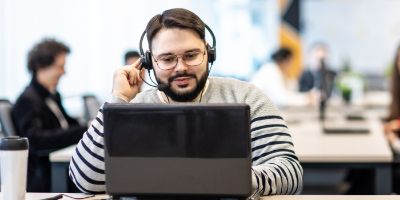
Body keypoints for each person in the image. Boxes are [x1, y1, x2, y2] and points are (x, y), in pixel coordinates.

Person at [68, 8, 303, 196]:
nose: (180, 67)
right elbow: (85, 180)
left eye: (191, 55)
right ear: (150, 63)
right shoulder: (135, 107)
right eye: (167, 59)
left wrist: (225, 180)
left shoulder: (246, 96)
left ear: (208, 54)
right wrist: (117, 101)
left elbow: (289, 172)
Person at [12, 38, 87, 192]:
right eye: (60, 67)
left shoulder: (52, 96)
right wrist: (83, 130)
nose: (64, 72)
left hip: (59, 169)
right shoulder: (27, 100)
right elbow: (37, 140)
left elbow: (68, 124)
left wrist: (89, 127)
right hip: (47, 176)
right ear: (41, 67)